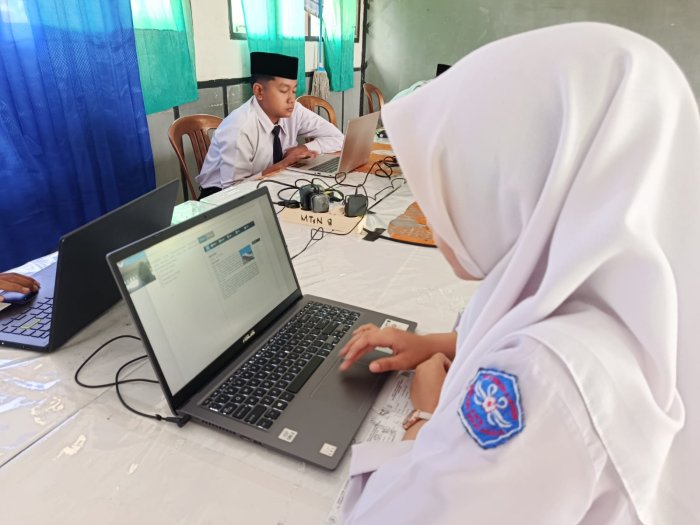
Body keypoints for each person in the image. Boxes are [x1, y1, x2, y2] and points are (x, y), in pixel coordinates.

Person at [338, 23, 699, 524]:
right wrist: (432, 345)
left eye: (443, 179)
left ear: (508, 180)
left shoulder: (543, 380)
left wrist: (424, 418)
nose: (427, 211)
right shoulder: (627, 291)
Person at [197, 52, 344, 198]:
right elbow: (233, 191)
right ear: (259, 91)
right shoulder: (239, 127)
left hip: (271, 184)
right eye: (284, 91)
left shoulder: (295, 110)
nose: (291, 99)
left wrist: (304, 148)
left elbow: (338, 138)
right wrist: (283, 164)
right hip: (219, 199)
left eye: (294, 91)